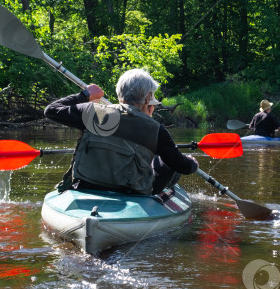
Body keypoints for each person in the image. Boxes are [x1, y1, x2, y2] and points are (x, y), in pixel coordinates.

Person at [44, 68, 198, 196]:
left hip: (86, 186)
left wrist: (84, 95)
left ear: (119, 94)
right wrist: (192, 163)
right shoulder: (156, 129)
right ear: (148, 98)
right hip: (130, 194)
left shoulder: (92, 112)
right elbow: (182, 166)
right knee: (165, 160)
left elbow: (51, 110)